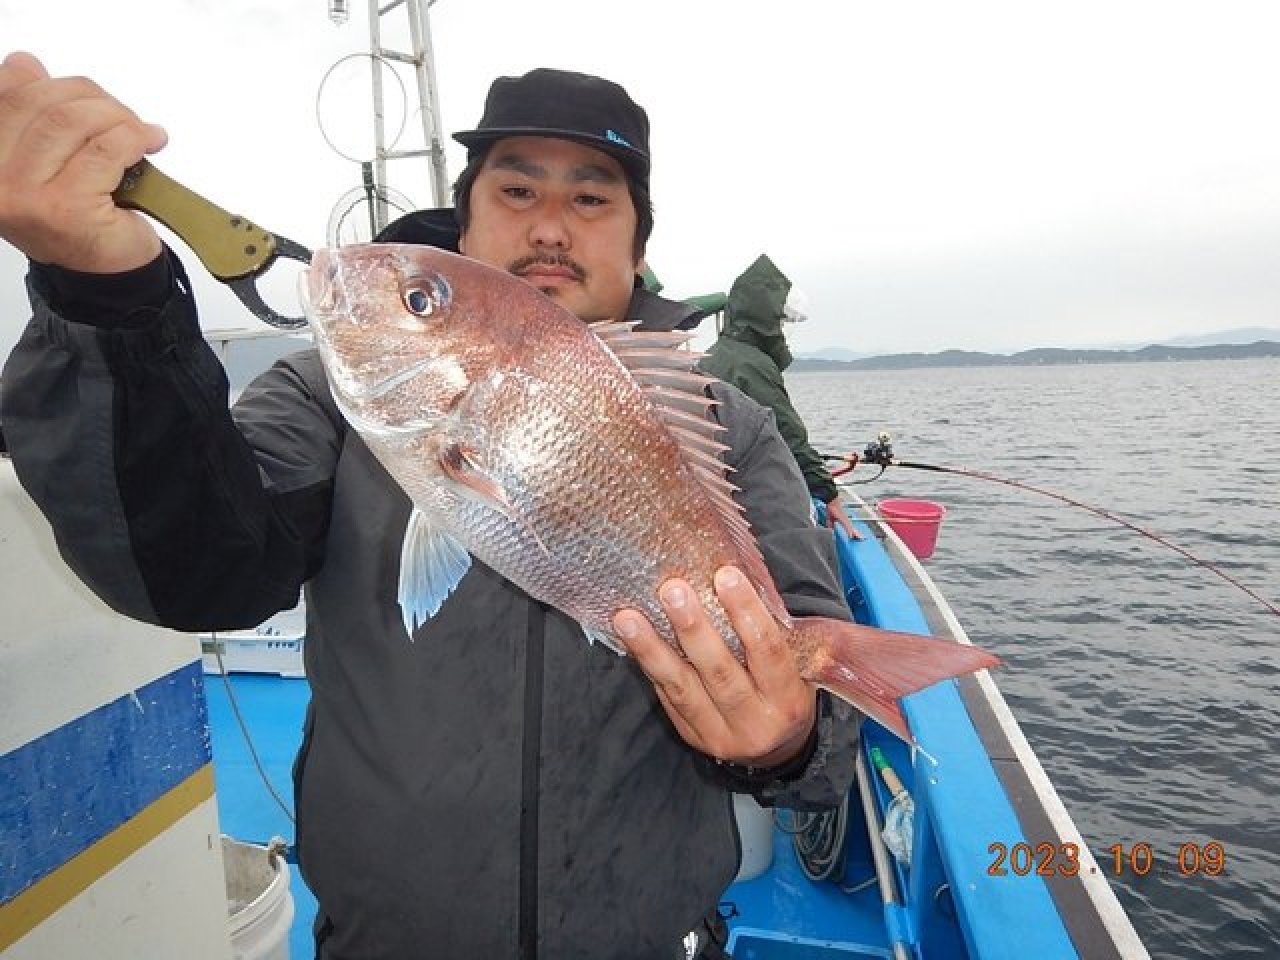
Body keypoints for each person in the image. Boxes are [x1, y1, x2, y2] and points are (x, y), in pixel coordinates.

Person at [0, 55, 858, 959]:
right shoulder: (328, 401)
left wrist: (787, 739)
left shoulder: (729, 425)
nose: (552, 228)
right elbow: (194, 571)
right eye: (517, 191)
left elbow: (824, 729)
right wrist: (109, 300)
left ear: (639, 244)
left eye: (594, 199)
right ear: (465, 227)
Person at [700, 253, 860, 540]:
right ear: (767, 322)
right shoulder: (751, 365)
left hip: (714, 494)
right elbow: (788, 435)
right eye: (780, 322)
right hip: (746, 497)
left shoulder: (712, 355)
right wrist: (829, 494)